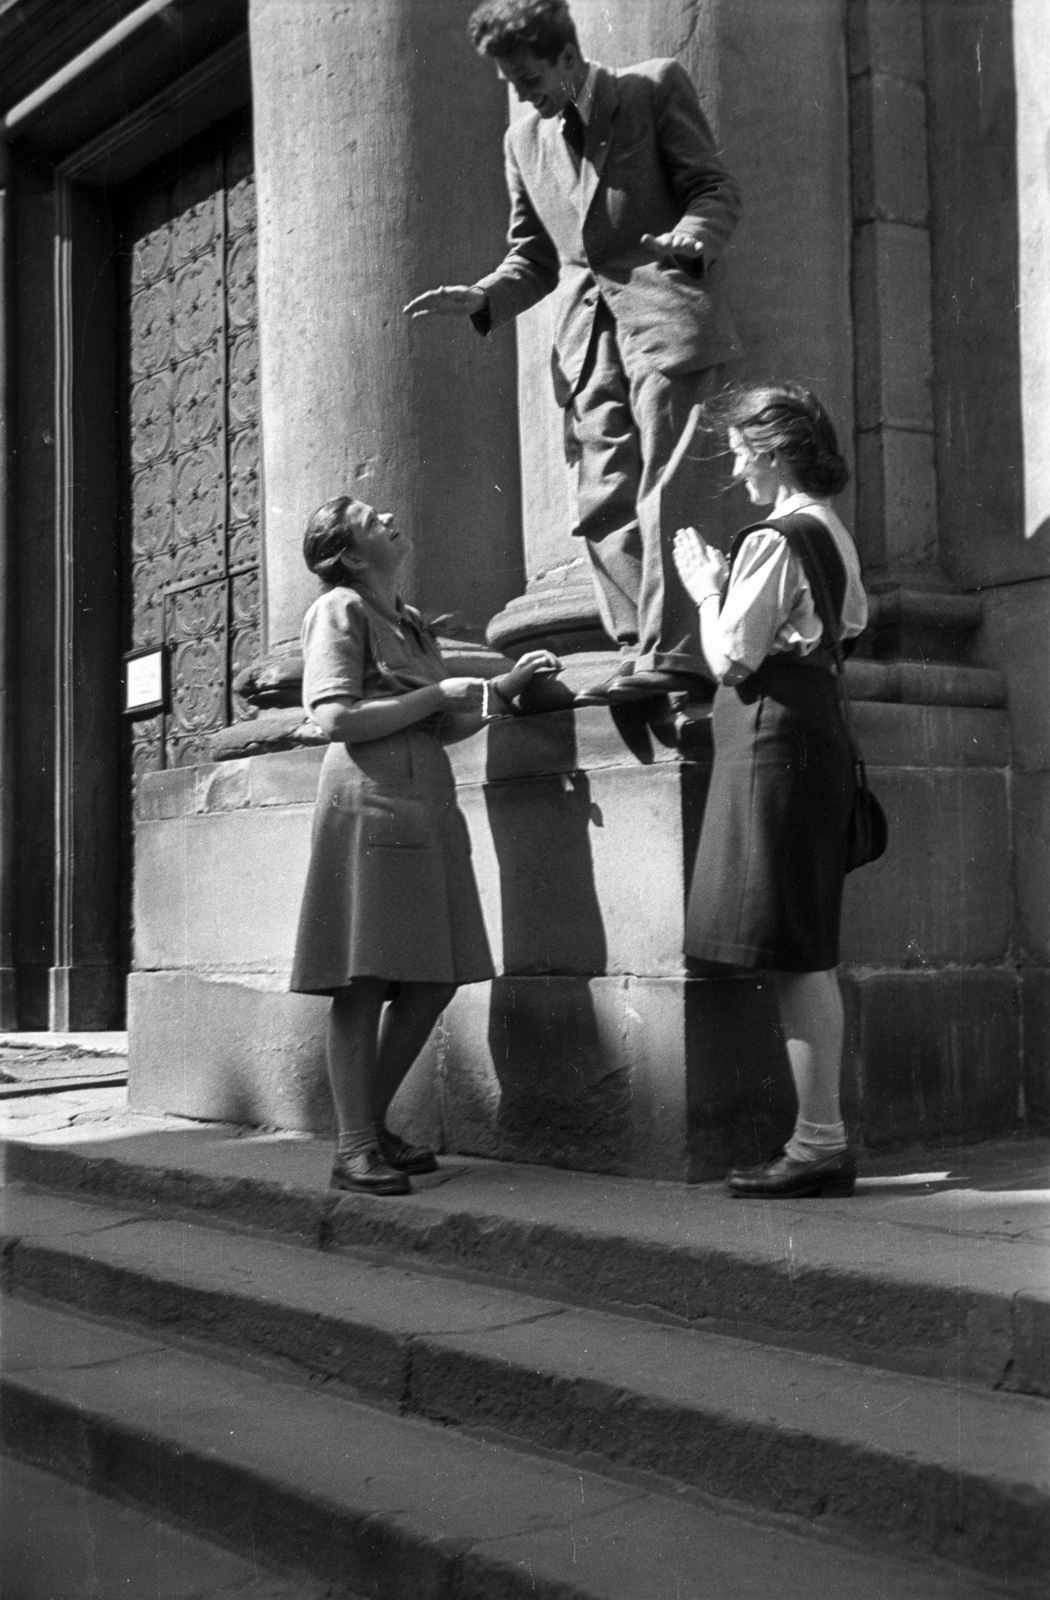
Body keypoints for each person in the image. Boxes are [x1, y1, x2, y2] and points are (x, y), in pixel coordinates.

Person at [404, 0, 741, 702]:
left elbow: (712, 189)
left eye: (528, 78)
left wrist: (694, 236)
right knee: (601, 501)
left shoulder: (651, 87)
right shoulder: (523, 141)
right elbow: (534, 256)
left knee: (670, 489)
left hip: (665, 316)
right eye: (509, 84)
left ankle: (675, 654)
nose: (522, 95)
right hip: (588, 342)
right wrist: (484, 297)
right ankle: (632, 647)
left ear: (566, 55)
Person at [289, 496, 557, 1195]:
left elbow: (437, 723)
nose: (386, 516)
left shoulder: (406, 619)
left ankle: (366, 1130)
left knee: (433, 978)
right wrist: (437, 695)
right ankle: (355, 1148)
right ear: (348, 555)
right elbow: (334, 717)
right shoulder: (339, 609)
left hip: (422, 801)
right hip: (369, 800)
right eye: (367, 517)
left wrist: (501, 692)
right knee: (363, 979)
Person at [672, 385, 868, 1198]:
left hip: (776, 738)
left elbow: (734, 660)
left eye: (741, 449)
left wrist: (705, 587)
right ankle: (819, 1136)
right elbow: (847, 625)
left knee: (793, 950)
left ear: (774, 449)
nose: (735, 464)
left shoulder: (773, 538)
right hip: (812, 732)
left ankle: (819, 1141)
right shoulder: (833, 533)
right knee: (802, 943)